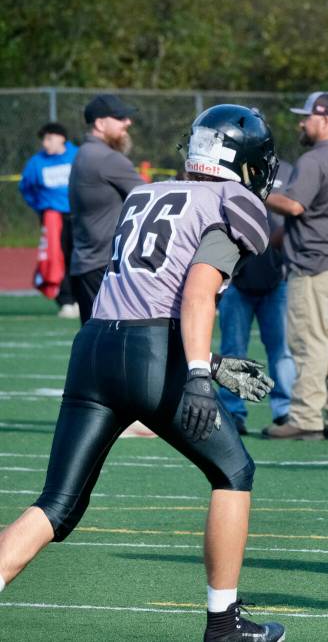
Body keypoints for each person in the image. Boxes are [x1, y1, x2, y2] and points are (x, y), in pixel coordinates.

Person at [0, 105, 283, 640]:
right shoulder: (232, 200)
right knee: (233, 473)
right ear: (242, 160)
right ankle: (225, 624)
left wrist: (212, 364)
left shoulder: (147, 193)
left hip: (93, 350)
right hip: (152, 354)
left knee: (57, 503)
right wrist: (200, 371)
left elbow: (142, 292)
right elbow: (197, 292)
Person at [263, 92, 328, 441]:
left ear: (323, 120)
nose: (301, 124)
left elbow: (293, 206)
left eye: (306, 117)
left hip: (314, 267)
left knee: (309, 343)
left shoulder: (314, 160)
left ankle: (305, 417)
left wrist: (256, 194)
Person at [217, 160, 297, 435]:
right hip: (236, 281)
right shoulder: (224, 171)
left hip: (276, 279)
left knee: (282, 351)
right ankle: (233, 412)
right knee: (232, 351)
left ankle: (285, 411)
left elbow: (298, 213)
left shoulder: (288, 171)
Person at [68, 94, 145, 324]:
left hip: (88, 265)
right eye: (120, 118)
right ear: (100, 124)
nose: (128, 123)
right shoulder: (107, 159)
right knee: (112, 346)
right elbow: (154, 201)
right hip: (103, 267)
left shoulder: (84, 153)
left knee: (96, 346)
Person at [18, 122, 79, 317]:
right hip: (53, 217)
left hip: (79, 215)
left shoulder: (77, 155)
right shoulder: (37, 162)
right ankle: (66, 301)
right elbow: (26, 188)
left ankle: (81, 298)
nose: (45, 143)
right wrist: (41, 207)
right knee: (56, 258)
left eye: (49, 138)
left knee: (78, 256)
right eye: (44, 139)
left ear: (61, 138)